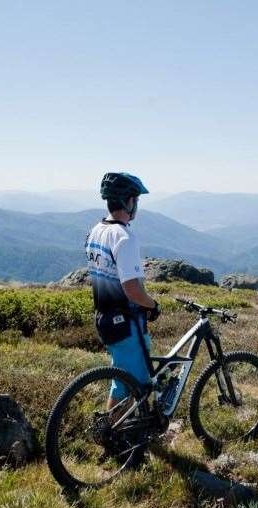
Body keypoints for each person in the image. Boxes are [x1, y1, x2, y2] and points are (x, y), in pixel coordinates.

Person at [85, 171, 161, 409]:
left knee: (123, 376)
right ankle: (116, 438)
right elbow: (131, 289)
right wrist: (153, 304)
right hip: (126, 322)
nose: (136, 204)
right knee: (130, 384)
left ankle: (120, 431)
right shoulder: (124, 238)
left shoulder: (96, 231)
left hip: (104, 318)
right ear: (128, 201)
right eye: (136, 199)